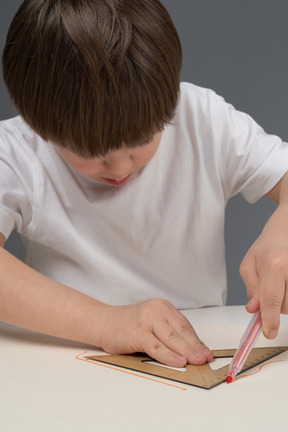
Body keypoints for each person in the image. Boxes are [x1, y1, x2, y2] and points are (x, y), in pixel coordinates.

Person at [1, 0, 288, 368]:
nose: (121, 166)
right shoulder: (15, 150)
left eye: (142, 138)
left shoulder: (202, 119)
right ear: (37, 125)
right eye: (92, 151)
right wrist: (103, 321)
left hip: (199, 346)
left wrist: (283, 230)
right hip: (71, 356)